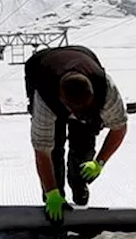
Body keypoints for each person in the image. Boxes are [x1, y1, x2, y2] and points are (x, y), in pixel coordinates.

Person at [24, 45, 129, 220]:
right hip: (40, 68)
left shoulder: (105, 89)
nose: (76, 116)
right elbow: (42, 151)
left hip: (84, 57)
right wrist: (51, 193)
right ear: (62, 101)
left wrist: (99, 162)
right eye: (74, 111)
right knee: (54, 148)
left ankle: (79, 188)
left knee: (83, 147)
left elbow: (119, 127)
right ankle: (56, 200)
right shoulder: (45, 98)